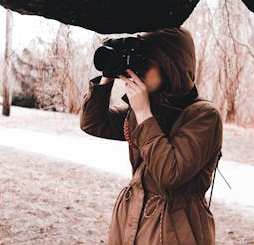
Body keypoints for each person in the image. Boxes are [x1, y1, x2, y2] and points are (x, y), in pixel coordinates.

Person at [79, 26, 223, 245]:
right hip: (131, 220)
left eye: (146, 63)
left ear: (170, 67)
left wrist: (144, 114)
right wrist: (108, 76)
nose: (139, 70)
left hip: (176, 228)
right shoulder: (147, 109)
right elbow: (93, 123)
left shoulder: (204, 115)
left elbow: (170, 174)